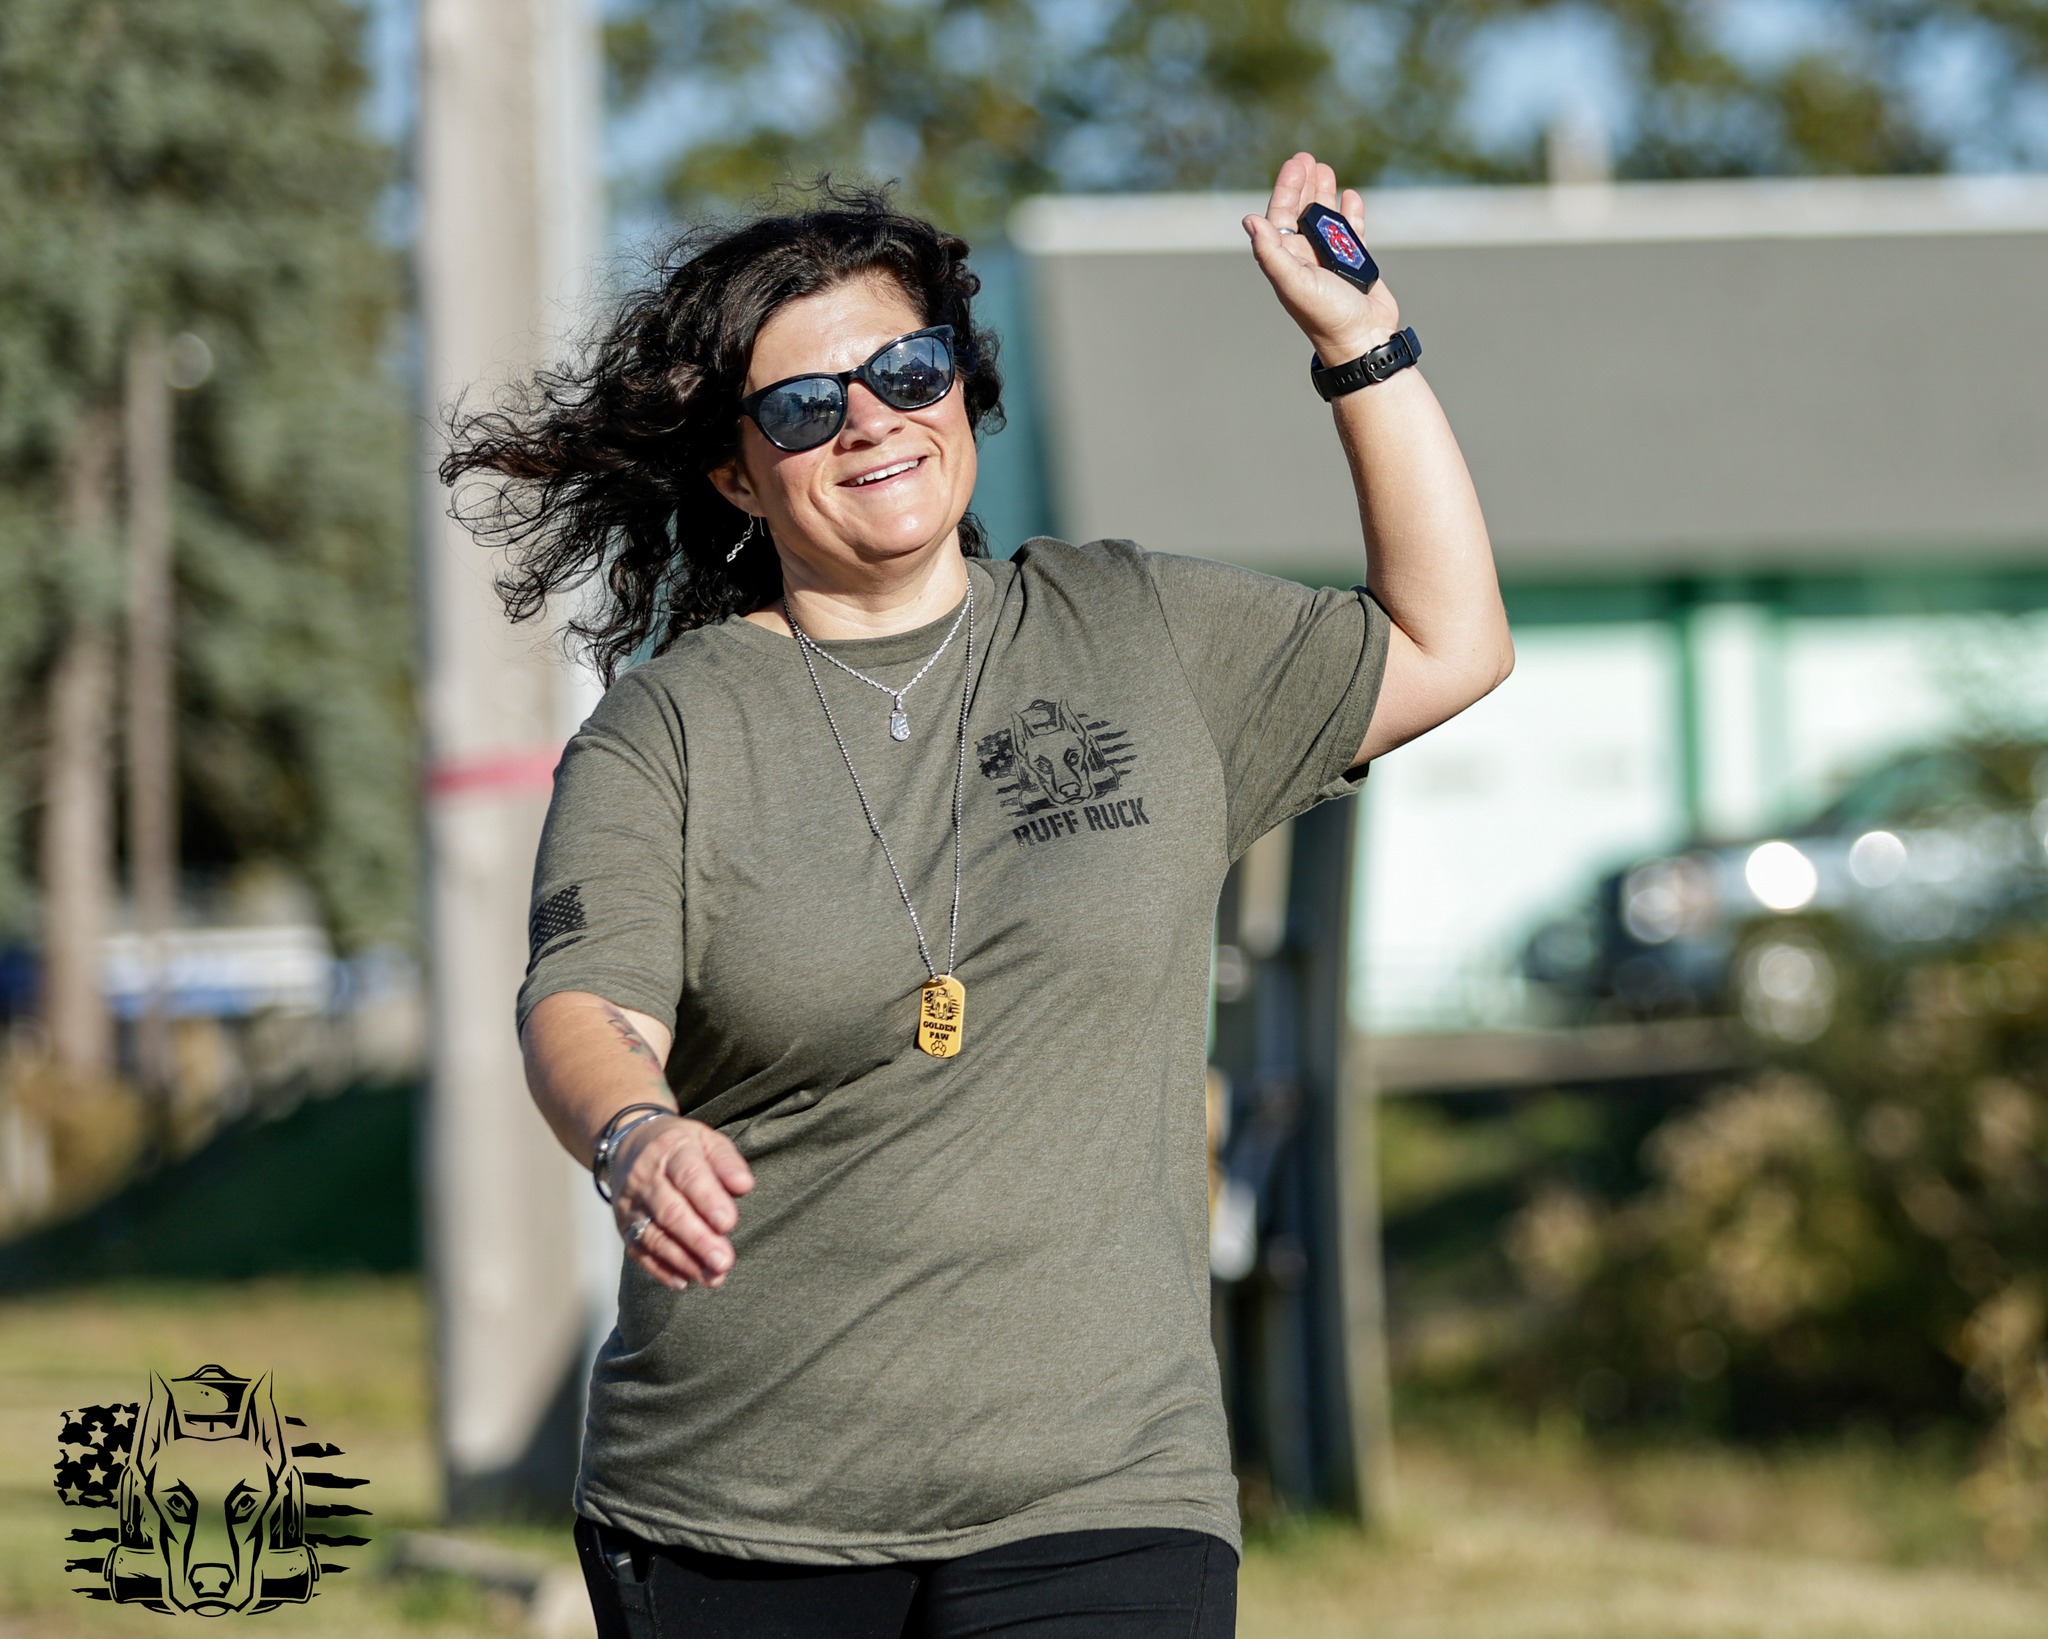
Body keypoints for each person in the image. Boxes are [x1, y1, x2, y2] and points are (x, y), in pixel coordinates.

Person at [441, 153, 1512, 1639]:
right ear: (737, 474)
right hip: (740, 1514)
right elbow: (582, 1001)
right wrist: (636, 1134)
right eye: (807, 405)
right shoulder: (670, 728)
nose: (871, 417)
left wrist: (1360, 343)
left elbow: (1452, 643)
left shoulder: (1138, 635)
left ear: (964, 388)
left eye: (908, 368)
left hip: (1105, 1495)